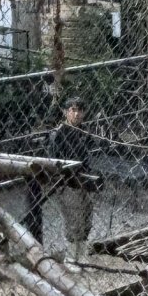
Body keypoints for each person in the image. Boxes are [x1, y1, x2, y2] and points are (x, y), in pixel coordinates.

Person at [50, 98, 102, 256]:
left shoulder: (86, 131)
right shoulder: (58, 133)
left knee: (87, 217)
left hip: (85, 179)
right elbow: (54, 162)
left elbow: (94, 154)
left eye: (80, 110)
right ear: (66, 112)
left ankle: (82, 255)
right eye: (73, 110)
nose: (77, 114)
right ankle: (71, 257)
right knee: (73, 221)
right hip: (67, 182)